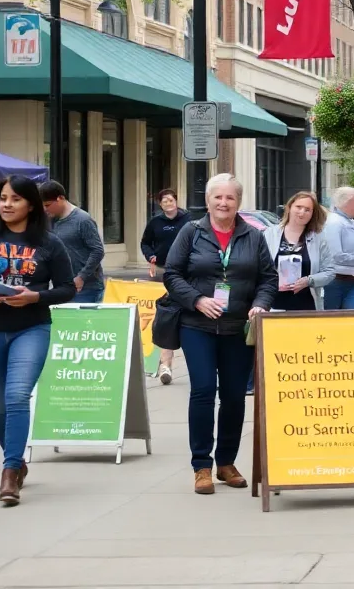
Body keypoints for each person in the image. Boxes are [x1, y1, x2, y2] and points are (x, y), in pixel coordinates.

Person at [0, 175, 76, 505]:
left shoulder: (50, 244)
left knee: (17, 395)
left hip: (31, 328)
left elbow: (67, 288)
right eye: (3, 198)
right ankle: (17, 461)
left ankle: (9, 473)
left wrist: (35, 297)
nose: (7, 204)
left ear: (31, 205)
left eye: (15, 199)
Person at [163, 173, 275, 495]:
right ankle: (201, 465)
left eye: (230, 198)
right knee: (202, 391)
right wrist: (197, 299)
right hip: (196, 325)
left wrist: (260, 304)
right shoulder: (191, 232)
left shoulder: (253, 236)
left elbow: (268, 278)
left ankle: (226, 462)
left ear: (238, 202)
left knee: (234, 396)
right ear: (208, 200)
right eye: (218, 197)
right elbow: (172, 274)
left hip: (237, 327)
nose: (223, 203)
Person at [257, 192, 335, 395]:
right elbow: (257, 268)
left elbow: (330, 272)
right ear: (289, 207)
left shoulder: (318, 239)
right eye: (298, 207)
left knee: (304, 354)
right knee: (276, 354)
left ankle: (301, 392)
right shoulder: (269, 234)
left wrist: (309, 280)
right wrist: (273, 281)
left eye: (307, 209)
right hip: (274, 305)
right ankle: (276, 392)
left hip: (306, 305)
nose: (302, 212)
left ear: (312, 214)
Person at [139, 189, 190, 384]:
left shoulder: (188, 220)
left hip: (186, 272)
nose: (168, 203)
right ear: (160, 204)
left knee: (183, 315)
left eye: (171, 200)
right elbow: (145, 243)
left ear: (176, 201)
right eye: (164, 201)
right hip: (162, 270)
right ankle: (165, 365)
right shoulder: (155, 223)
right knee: (166, 314)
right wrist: (150, 255)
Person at [39, 181, 106, 303]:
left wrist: (81, 277)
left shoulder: (83, 220)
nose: (45, 209)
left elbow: (98, 251)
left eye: (47, 205)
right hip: (61, 286)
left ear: (60, 198)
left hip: (86, 289)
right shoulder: (49, 221)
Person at [323, 187, 354, 310]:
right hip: (335, 282)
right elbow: (335, 255)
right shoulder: (334, 222)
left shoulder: (349, 222)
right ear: (347, 202)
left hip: (352, 281)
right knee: (332, 319)